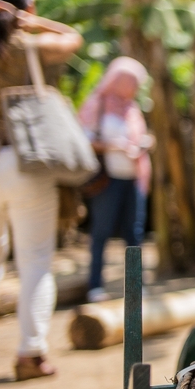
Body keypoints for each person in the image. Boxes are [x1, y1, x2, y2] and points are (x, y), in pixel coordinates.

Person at [0, 0, 83, 380]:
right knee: (34, 261)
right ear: (25, 10)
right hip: (25, 163)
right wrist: (33, 23)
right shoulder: (31, 47)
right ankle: (31, 355)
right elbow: (73, 38)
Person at [78, 57, 153, 303]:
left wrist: (142, 144)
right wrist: (115, 147)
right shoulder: (96, 105)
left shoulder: (132, 109)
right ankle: (95, 286)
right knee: (101, 231)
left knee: (135, 233)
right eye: (132, 81)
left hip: (133, 179)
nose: (135, 87)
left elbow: (142, 137)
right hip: (106, 180)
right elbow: (83, 140)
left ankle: (134, 289)